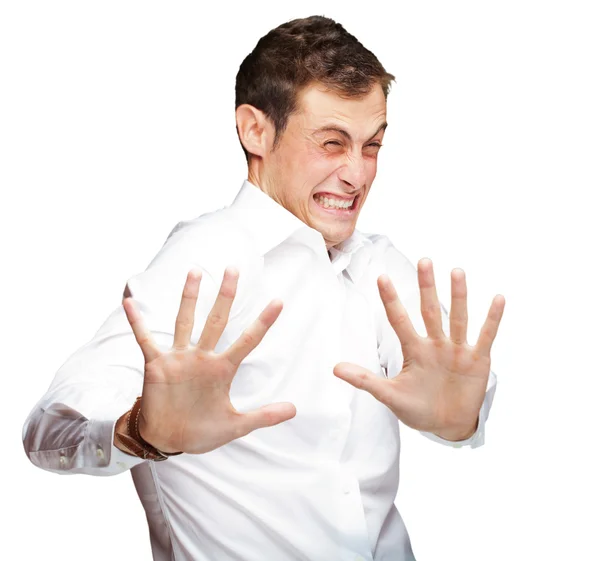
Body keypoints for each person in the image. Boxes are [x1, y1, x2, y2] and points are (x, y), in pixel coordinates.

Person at [23, 15, 505, 561]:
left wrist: (461, 416)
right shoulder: (204, 261)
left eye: (371, 146)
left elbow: (454, 402)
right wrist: (142, 430)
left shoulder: (380, 267)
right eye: (331, 142)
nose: (358, 175)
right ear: (256, 131)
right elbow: (50, 427)